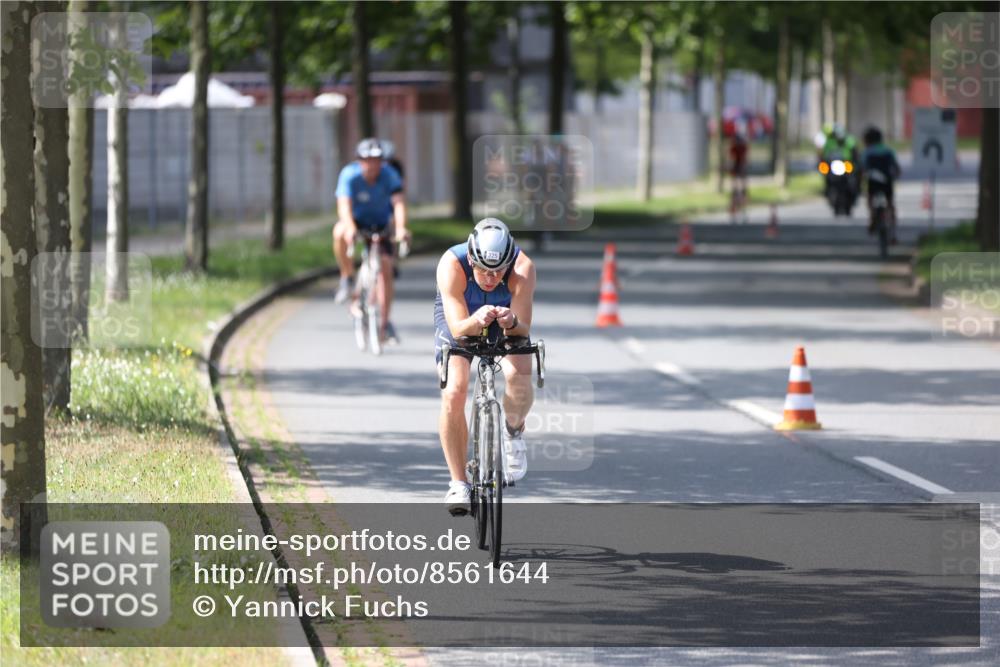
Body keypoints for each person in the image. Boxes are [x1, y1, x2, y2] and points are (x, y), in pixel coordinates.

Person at [434, 218, 537, 515]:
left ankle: (513, 431)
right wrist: (476, 320)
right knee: (454, 391)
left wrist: (511, 322)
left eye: (498, 271)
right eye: (482, 269)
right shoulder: (451, 265)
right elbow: (457, 328)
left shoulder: (523, 268)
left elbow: (522, 327)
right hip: (463, 315)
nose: (490, 278)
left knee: (518, 377)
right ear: (470, 258)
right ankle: (459, 483)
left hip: (506, 316)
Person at [332, 138, 410, 343]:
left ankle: (385, 322)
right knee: (339, 231)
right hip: (357, 222)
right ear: (359, 161)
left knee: (385, 267)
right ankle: (347, 276)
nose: (373, 165)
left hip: (381, 224)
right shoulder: (349, 175)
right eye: (368, 160)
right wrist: (350, 228)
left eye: (377, 160)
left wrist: (401, 229)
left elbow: (399, 203)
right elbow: (343, 206)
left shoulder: (389, 174)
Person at [861, 126, 901, 243]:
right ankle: (893, 234)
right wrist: (895, 177)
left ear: (867, 140)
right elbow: (896, 168)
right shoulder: (888, 150)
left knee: (869, 198)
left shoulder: (867, 152)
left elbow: (862, 168)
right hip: (887, 181)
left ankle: (872, 217)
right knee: (890, 205)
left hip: (873, 181)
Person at [728, 123, 749, 224]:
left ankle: (738, 212)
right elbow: (744, 159)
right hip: (739, 171)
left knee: (737, 192)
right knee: (740, 192)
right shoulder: (741, 146)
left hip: (737, 171)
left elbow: (732, 159)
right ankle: (740, 212)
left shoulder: (735, 146)